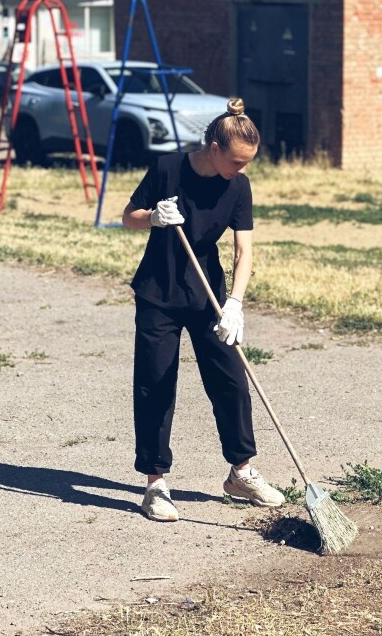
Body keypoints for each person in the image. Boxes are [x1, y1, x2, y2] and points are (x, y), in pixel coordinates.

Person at [121, 97, 286, 522]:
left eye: (248, 162)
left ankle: (241, 472)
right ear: (214, 149)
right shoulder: (167, 169)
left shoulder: (238, 187)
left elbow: (243, 251)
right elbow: (128, 217)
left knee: (231, 379)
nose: (242, 169)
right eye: (236, 161)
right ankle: (155, 483)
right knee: (156, 383)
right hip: (159, 291)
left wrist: (236, 303)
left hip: (208, 295)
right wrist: (153, 217)